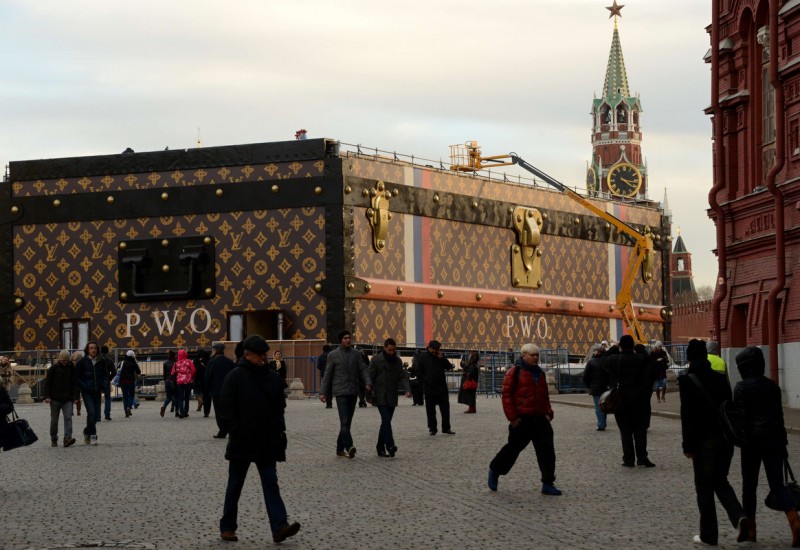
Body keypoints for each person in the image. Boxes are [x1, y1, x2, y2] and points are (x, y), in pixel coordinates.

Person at [217, 334, 300, 544]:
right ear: (248, 355)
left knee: (271, 483)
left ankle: (280, 526)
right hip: (242, 441)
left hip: (266, 441)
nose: (264, 357)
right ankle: (227, 527)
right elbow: (225, 407)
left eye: (265, 353)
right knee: (235, 485)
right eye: (260, 354)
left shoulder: (272, 377)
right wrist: (234, 429)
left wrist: (279, 431)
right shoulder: (234, 376)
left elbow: (280, 406)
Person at [678, 339, 748, 546]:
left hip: (702, 442)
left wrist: (687, 446)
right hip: (724, 439)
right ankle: (739, 516)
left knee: (704, 489)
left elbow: (687, 416)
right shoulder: (720, 378)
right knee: (721, 480)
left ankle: (709, 535)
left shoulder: (687, 380)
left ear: (689, 357)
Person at [734, 346, 800, 546]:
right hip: (774, 441)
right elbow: (778, 418)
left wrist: (741, 440)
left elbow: (741, 419)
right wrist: (784, 444)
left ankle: (752, 530)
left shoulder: (741, 388)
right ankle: (795, 521)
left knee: (749, 487)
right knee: (778, 485)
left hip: (752, 444)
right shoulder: (773, 386)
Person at [487, 343, 562, 495]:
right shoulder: (514, 372)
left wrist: (548, 413)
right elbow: (506, 397)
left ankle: (548, 483)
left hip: (540, 419)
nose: (535, 358)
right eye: (532, 355)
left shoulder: (540, 373)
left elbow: (544, 396)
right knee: (512, 449)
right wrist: (513, 418)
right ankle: (495, 470)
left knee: (547, 452)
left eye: (537, 355)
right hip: (522, 420)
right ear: (523, 356)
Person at [319, 330, 372, 458]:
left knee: (347, 422)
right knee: (344, 420)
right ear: (340, 340)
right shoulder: (333, 355)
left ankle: (339, 448)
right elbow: (327, 375)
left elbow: (363, 369)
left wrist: (368, 382)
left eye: (349, 338)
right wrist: (323, 392)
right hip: (340, 391)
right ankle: (349, 446)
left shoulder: (356, 354)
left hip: (353, 391)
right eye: (345, 338)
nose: (348, 340)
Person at [606, 334, 656, 468]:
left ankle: (628, 459)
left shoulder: (614, 359)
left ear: (621, 345)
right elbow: (650, 360)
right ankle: (642, 457)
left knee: (625, 431)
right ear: (633, 345)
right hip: (640, 401)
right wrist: (640, 348)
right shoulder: (641, 359)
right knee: (640, 430)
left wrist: (614, 348)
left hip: (621, 400)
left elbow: (601, 358)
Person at [368, 338, 411, 457]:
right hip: (380, 395)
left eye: (393, 350)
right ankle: (390, 445)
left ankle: (380, 447)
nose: (392, 352)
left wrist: (407, 389)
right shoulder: (376, 360)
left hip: (392, 395)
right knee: (386, 420)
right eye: (389, 350)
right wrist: (368, 394)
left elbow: (402, 375)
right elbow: (370, 377)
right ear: (384, 348)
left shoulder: (397, 361)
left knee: (385, 422)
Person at [416, 340, 455, 436]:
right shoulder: (422, 357)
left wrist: (442, 359)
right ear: (429, 348)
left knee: (445, 409)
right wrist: (424, 382)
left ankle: (446, 428)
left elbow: (449, 367)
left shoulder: (440, 356)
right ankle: (432, 428)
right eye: (433, 349)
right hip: (429, 388)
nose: (435, 351)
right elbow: (418, 371)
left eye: (436, 349)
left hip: (441, 387)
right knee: (430, 410)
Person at [44, 350, 79, 448]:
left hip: (67, 398)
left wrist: (75, 397)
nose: (64, 362)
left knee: (68, 418)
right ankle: (54, 438)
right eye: (62, 360)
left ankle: (67, 438)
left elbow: (75, 384)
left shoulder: (72, 368)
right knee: (54, 420)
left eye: (66, 360)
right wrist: (47, 396)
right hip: (55, 398)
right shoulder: (53, 369)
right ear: (59, 359)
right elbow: (48, 384)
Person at [74, 341, 106, 445]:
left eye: (95, 348)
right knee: (91, 413)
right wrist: (84, 386)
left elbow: (105, 375)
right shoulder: (82, 362)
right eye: (91, 348)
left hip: (97, 391)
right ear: (87, 350)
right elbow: (77, 377)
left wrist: (104, 384)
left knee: (96, 416)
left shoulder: (101, 361)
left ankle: (87, 431)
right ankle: (93, 436)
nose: (93, 350)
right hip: (87, 391)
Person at [206, 342, 236, 438]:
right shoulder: (230, 362)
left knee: (219, 411)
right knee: (228, 410)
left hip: (216, 391)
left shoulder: (212, 362)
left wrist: (207, 388)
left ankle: (222, 430)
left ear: (216, 350)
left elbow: (207, 376)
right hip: (228, 391)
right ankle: (230, 429)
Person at [582, 344, 608, 431]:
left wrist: (589, 385)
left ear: (598, 352)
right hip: (605, 387)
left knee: (598, 406)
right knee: (604, 405)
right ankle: (603, 422)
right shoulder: (607, 361)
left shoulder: (591, 362)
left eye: (595, 351)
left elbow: (585, 376)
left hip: (595, 387)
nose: (594, 352)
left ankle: (601, 424)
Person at [172, 349, 196, 419]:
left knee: (181, 397)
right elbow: (194, 370)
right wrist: (191, 376)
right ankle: (186, 412)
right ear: (185, 354)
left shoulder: (176, 363)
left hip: (179, 381)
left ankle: (181, 412)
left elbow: (173, 372)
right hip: (188, 381)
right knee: (187, 397)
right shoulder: (189, 361)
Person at [119, 350, 141, 418]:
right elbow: (138, 372)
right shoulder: (134, 363)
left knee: (125, 397)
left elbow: (118, 369)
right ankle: (129, 407)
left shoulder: (123, 362)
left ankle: (126, 411)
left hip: (123, 382)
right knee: (131, 395)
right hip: (131, 381)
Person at [99, 345, 115, 420]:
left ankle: (98, 416)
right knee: (107, 398)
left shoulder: (97, 359)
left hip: (98, 380)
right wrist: (109, 379)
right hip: (106, 380)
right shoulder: (110, 360)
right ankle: (107, 414)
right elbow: (114, 372)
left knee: (97, 398)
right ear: (107, 352)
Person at [160, 350, 178, 418]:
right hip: (174, 381)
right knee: (176, 396)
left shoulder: (165, 363)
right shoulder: (175, 363)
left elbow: (164, 375)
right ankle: (177, 411)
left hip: (167, 381)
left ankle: (164, 406)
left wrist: (166, 380)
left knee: (169, 397)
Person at [194, 349, 210, 414]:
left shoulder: (196, 361)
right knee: (206, 395)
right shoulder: (208, 360)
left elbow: (194, 370)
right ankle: (202, 409)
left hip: (198, 379)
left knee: (196, 391)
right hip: (207, 379)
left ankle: (200, 401)